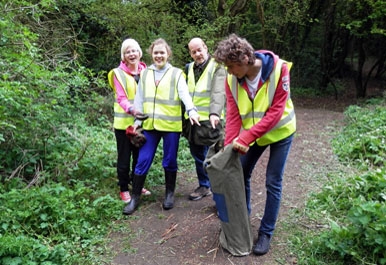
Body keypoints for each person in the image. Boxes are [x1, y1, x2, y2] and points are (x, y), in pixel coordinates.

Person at [213, 34, 296, 256]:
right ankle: (244, 222)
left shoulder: (279, 70)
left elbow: (276, 112)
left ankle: (266, 232)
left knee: (273, 181)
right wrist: (230, 146)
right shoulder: (231, 79)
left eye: (232, 66)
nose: (230, 72)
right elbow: (232, 114)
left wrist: (246, 138)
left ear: (247, 58)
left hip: (280, 132)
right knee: (240, 173)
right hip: (254, 135)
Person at [123, 38, 201, 215]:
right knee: (143, 160)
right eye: (156, 52)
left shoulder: (177, 74)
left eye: (162, 53)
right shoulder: (145, 73)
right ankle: (135, 198)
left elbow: (184, 95)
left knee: (170, 160)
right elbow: (139, 99)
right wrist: (137, 122)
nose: (159, 56)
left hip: (170, 126)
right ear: (151, 54)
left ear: (168, 54)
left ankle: (169, 194)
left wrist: (192, 110)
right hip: (150, 125)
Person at [108, 38, 151, 205]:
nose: (131, 54)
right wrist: (134, 110)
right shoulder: (117, 73)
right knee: (124, 158)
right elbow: (121, 98)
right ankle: (124, 188)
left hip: (141, 124)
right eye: (127, 52)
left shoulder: (147, 71)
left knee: (139, 156)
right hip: (124, 124)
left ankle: (137, 185)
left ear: (139, 52)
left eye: (134, 50)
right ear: (123, 55)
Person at [184, 37, 226, 201]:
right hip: (193, 121)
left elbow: (218, 92)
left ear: (206, 48)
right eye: (193, 52)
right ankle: (204, 185)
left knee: (214, 158)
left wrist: (214, 113)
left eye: (199, 50)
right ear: (190, 53)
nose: (197, 54)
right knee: (198, 156)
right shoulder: (188, 68)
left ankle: (220, 193)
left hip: (211, 120)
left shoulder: (217, 67)